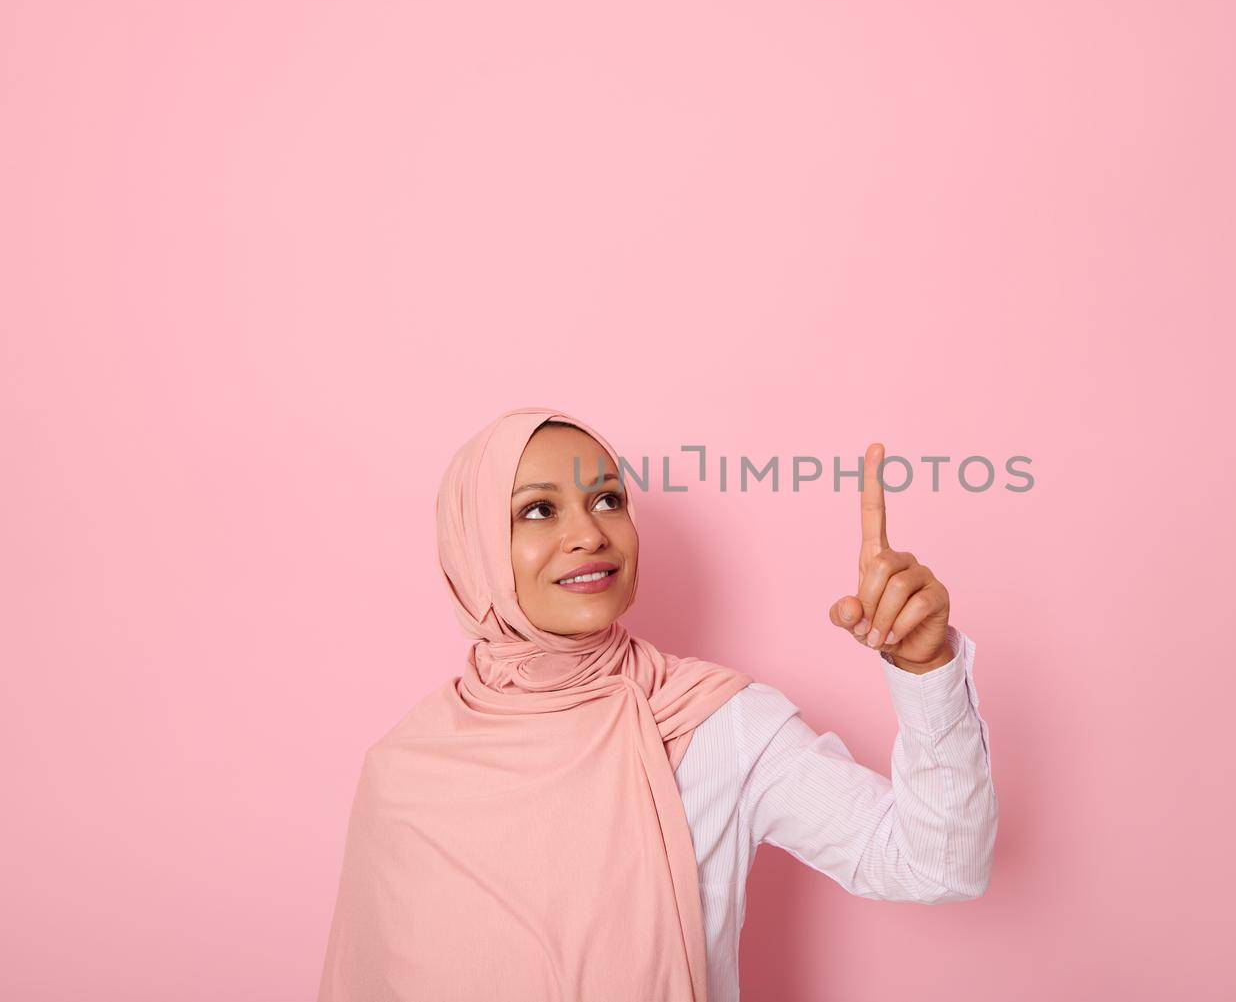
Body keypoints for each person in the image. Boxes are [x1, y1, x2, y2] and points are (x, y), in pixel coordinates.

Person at [316, 408, 997, 1001]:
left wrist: (925, 669)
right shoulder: (407, 769)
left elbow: (937, 864)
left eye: (607, 499)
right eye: (537, 509)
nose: (590, 533)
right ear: (473, 548)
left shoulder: (718, 723)